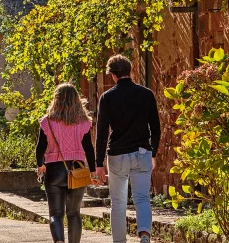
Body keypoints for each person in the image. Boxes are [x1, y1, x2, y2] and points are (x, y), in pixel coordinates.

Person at [95, 55, 161, 243]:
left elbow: (101, 133)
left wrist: (99, 163)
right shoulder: (146, 94)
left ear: (113, 75)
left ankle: (119, 241)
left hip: (118, 155)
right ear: (130, 71)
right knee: (142, 198)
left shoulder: (107, 97)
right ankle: (145, 235)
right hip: (142, 152)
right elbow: (155, 129)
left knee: (118, 203)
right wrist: (153, 153)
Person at [36, 83, 99, 243]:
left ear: (56, 100)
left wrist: (40, 165)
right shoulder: (83, 122)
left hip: (54, 171)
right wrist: (92, 170)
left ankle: (59, 241)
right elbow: (89, 149)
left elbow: (40, 147)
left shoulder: (47, 122)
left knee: (55, 214)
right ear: (76, 100)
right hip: (77, 170)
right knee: (74, 213)